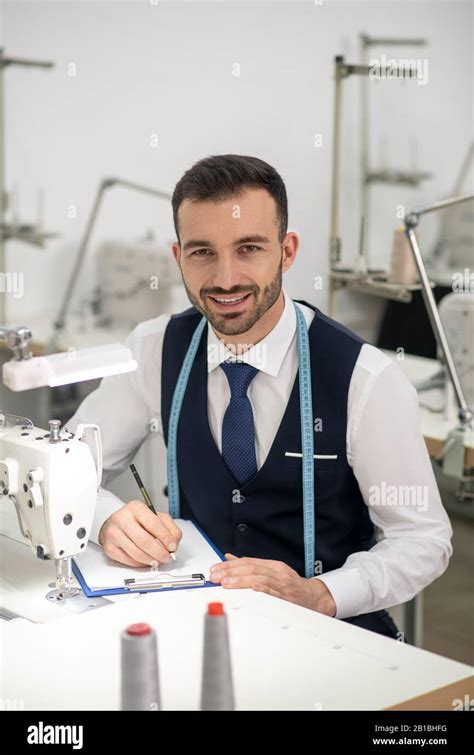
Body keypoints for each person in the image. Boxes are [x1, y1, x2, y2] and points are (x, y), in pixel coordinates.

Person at [67, 154, 452, 638]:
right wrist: (104, 518)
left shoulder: (365, 377)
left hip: (334, 635)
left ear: (287, 251)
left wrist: (323, 594)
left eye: (248, 248)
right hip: (200, 622)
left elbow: (423, 539)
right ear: (178, 256)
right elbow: (66, 467)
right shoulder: (153, 349)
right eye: (202, 251)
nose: (226, 278)